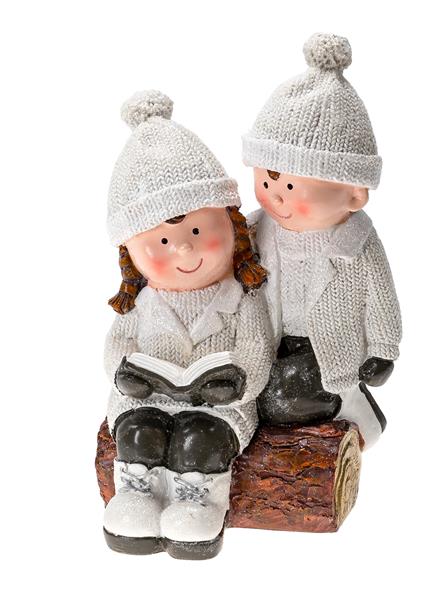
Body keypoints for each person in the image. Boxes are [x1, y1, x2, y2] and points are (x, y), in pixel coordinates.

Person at [103, 90, 273, 559]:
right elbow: (116, 348)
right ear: (131, 256)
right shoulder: (140, 304)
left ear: (232, 224)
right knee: (139, 432)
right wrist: (125, 374)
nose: (183, 249)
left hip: (219, 407)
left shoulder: (243, 297)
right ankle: (136, 494)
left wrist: (237, 382)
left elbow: (257, 349)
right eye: (160, 241)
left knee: (200, 438)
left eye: (197, 230)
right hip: (146, 398)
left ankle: (198, 502)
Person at [242, 33, 402, 448]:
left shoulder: (358, 243)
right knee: (254, 390)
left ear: (354, 195)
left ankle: (350, 406)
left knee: (281, 397)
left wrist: (383, 348)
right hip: (267, 340)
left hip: (328, 348)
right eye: (268, 180)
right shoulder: (254, 230)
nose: (276, 196)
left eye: (294, 186)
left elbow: (381, 296)